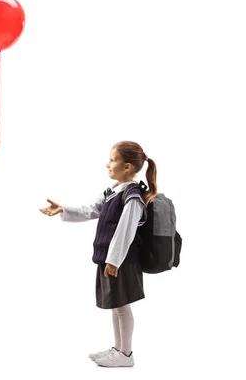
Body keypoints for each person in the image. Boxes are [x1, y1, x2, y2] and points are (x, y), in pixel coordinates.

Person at [39, 141, 157, 368]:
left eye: (113, 160)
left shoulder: (132, 196)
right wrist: (63, 209)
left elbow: (126, 230)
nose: (108, 164)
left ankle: (126, 353)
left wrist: (113, 260)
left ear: (128, 167)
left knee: (122, 306)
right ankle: (119, 349)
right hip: (111, 260)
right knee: (116, 305)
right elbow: (92, 209)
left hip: (121, 260)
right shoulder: (114, 191)